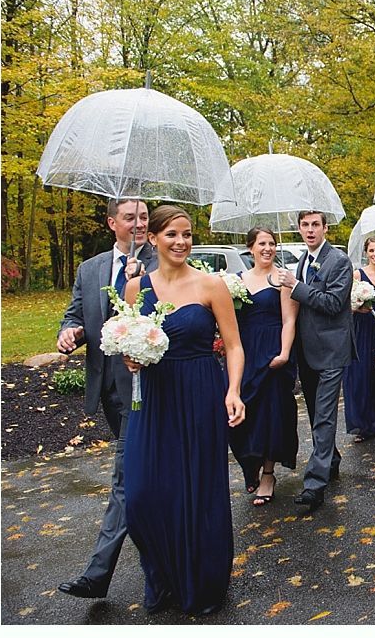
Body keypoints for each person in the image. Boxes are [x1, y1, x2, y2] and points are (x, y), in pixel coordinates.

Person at [122, 205, 245, 615]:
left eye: (187, 234)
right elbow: (126, 337)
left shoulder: (211, 286)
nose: (181, 242)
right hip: (153, 398)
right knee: (141, 494)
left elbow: (233, 346)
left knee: (197, 488)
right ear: (152, 238)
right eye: (172, 234)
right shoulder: (135, 289)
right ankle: (162, 575)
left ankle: (201, 580)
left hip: (199, 393)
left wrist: (233, 390)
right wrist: (130, 356)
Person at [55, 198, 155, 600]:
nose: (138, 225)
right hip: (107, 388)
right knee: (140, 479)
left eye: (143, 217)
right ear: (112, 222)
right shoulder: (90, 268)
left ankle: (98, 572)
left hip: (143, 386)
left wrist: (140, 283)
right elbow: (75, 312)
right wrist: (71, 331)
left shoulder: (158, 259)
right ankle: (165, 558)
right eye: (130, 218)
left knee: (123, 479)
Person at [273, 210, 354, 511]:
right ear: (298, 228)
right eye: (305, 225)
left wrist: (296, 286)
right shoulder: (303, 260)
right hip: (306, 351)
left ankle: (314, 486)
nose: (310, 230)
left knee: (323, 416)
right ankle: (330, 458)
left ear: (325, 228)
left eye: (315, 225)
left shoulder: (339, 261)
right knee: (315, 410)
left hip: (332, 350)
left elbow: (333, 304)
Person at [228, 227, 299, 506]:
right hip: (244, 352)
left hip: (272, 352)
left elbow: (289, 320)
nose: (268, 248)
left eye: (271, 243)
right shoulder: (236, 280)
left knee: (270, 416)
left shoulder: (281, 279)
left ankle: (267, 474)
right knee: (242, 416)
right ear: (250, 248)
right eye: (262, 244)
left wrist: (284, 353)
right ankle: (249, 465)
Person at [343, 236, 375, 441]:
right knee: (362, 374)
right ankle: (364, 423)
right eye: (371, 251)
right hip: (363, 327)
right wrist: (358, 306)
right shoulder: (357, 274)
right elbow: (347, 304)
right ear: (366, 253)